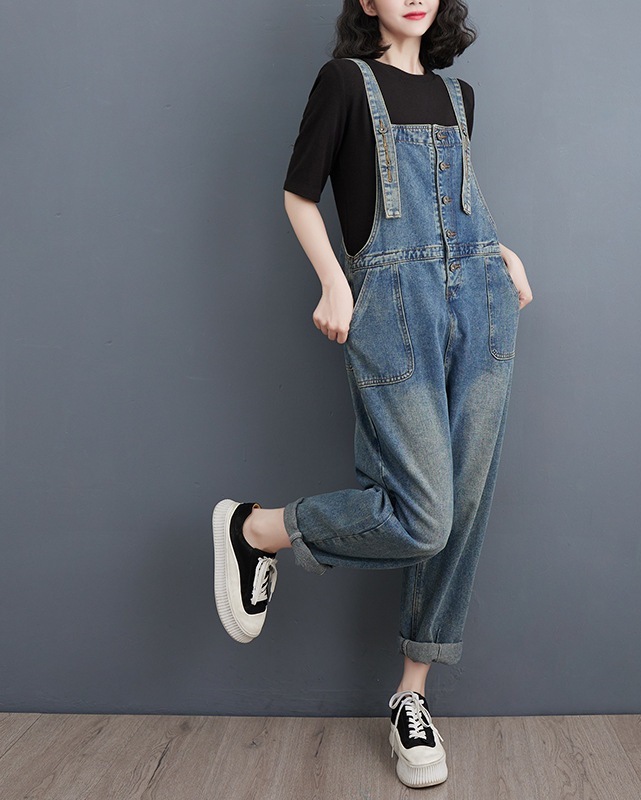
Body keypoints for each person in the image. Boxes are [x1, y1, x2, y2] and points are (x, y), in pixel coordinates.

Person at [212, 0, 533, 789]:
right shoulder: (345, 84)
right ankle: (257, 531)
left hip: (483, 306)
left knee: (464, 507)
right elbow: (299, 194)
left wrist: (503, 255)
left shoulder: (459, 96)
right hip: (392, 310)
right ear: (366, 1)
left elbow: (457, 213)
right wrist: (334, 281)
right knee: (424, 515)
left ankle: (411, 697)